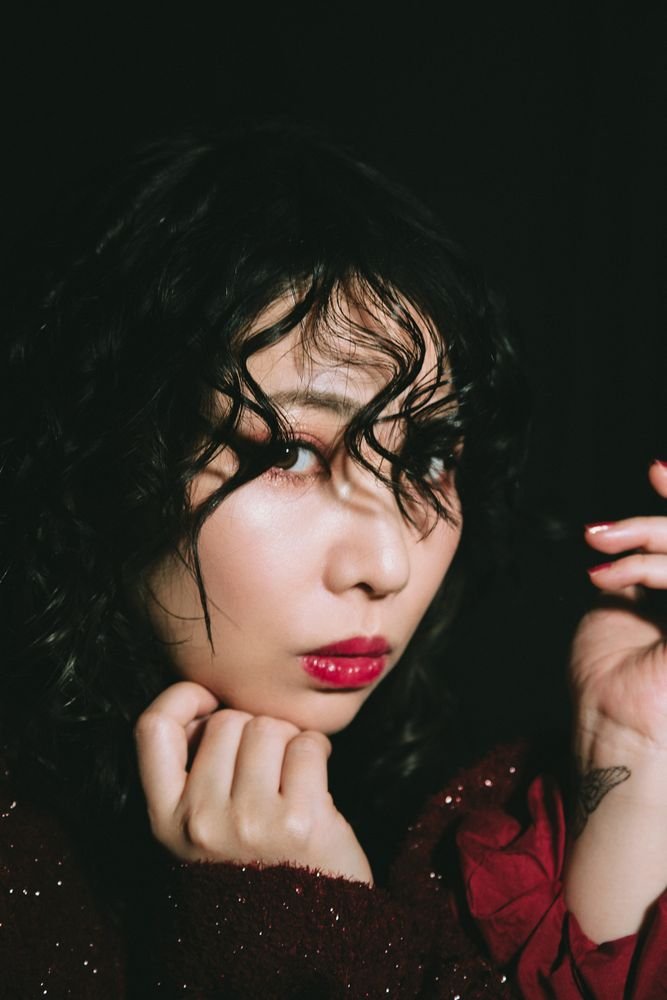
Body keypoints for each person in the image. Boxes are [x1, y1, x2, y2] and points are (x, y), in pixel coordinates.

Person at [0, 123, 664, 998]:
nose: (387, 562)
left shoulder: (459, 829)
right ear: (107, 461)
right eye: (287, 452)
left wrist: (632, 746)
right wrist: (298, 928)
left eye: (427, 457)